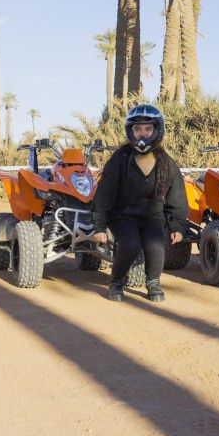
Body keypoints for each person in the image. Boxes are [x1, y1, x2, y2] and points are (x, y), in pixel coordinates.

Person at [90, 104, 188, 303]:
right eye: (137, 129)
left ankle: (153, 283)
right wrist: (99, 225)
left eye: (148, 129)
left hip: (153, 216)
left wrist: (177, 225)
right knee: (130, 244)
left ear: (157, 130)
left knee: (156, 248)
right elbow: (104, 194)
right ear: (130, 131)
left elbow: (177, 196)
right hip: (122, 216)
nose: (142, 134)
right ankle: (116, 282)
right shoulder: (120, 158)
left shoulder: (166, 162)